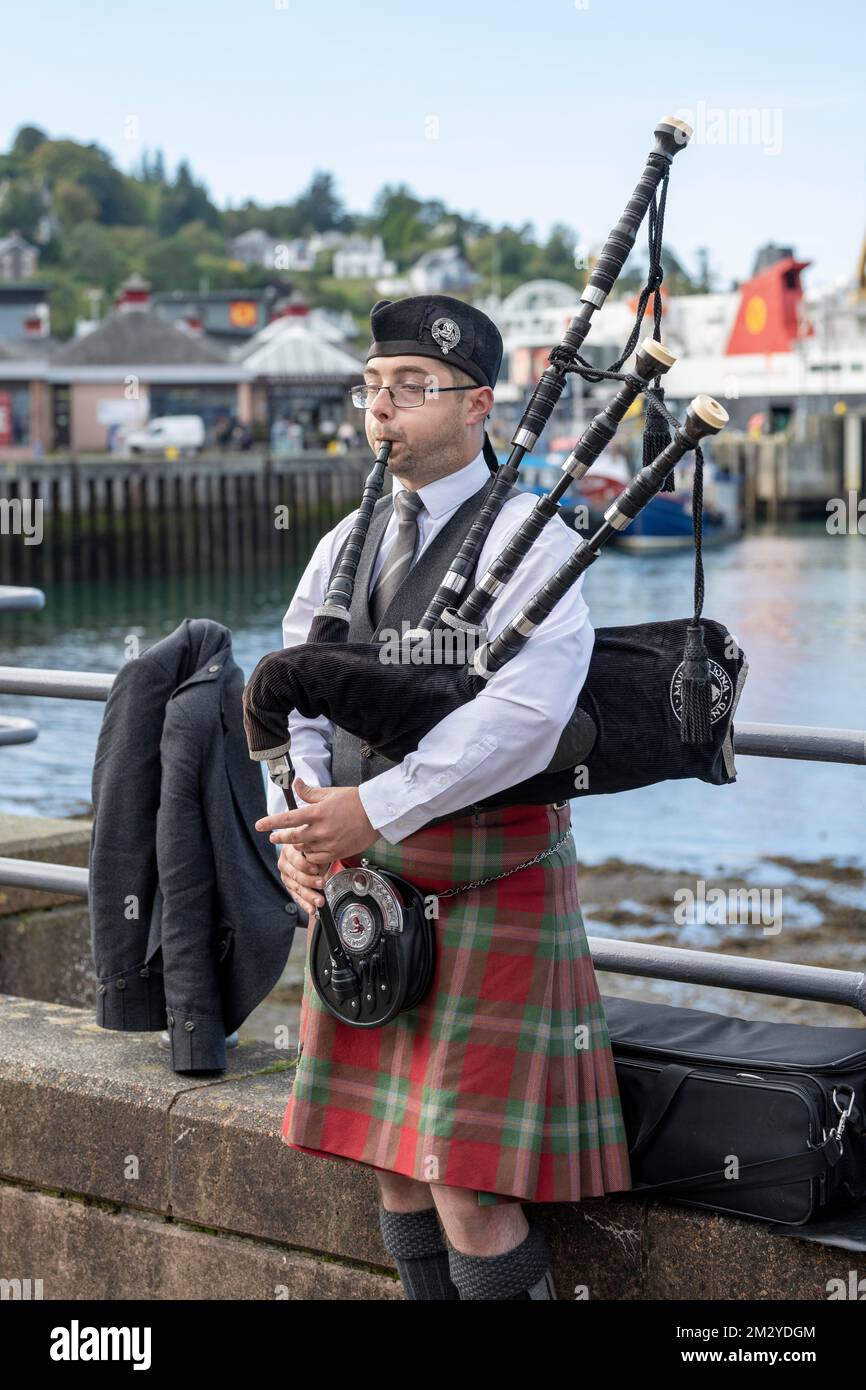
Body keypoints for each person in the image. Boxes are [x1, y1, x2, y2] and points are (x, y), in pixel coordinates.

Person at [254, 293, 632, 1300]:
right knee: (391, 1165)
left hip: (483, 881)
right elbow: (298, 681)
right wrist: (306, 814)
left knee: (467, 1188)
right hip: (363, 885)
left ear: (476, 405)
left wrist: (372, 810)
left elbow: (522, 720)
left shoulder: (531, 538)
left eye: (410, 388)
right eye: (373, 387)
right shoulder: (344, 541)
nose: (383, 407)